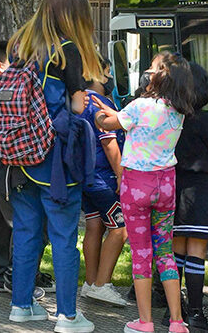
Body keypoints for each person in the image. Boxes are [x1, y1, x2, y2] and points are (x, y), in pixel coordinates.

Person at [6, 0, 103, 332]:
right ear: (74, 16)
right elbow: (76, 104)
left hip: (18, 151)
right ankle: (67, 315)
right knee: (63, 236)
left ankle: (21, 305)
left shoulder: (21, 43)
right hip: (55, 156)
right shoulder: (66, 50)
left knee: (28, 230)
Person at [93, 51, 195, 333]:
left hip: (137, 185)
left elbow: (108, 123)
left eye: (152, 68)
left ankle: (145, 321)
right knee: (165, 252)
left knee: (141, 253)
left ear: (161, 75)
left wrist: (100, 112)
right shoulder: (178, 110)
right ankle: (177, 321)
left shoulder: (138, 106)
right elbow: (133, 120)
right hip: (166, 184)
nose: (148, 72)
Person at [0, 41, 49, 300]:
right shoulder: (8, 90)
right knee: (24, 219)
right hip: (10, 162)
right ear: (0, 65)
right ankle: (16, 275)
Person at [171, 62, 208, 331]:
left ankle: (174, 312)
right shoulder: (204, 120)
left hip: (174, 189)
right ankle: (196, 313)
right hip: (201, 191)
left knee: (177, 253)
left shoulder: (171, 117)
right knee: (197, 253)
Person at [78, 82, 129, 307]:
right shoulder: (98, 102)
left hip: (85, 176)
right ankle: (102, 284)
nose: (110, 77)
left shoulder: (79, 100)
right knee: (120, 229)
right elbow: (109, 143)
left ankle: (90, 283)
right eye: (107, 72)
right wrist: (120, 174)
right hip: (104, 177)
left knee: (94, 226)